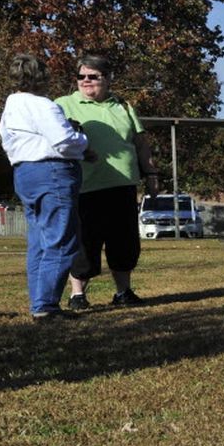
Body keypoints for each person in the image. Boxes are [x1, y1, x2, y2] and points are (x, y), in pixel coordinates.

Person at [56, 54, 160, 309]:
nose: (86, 81)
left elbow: (140, 144)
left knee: (124, 243)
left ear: (108, 78)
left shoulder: (123, 106)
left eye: (93, 76)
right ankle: (77, 295)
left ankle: (123, 292)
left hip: (122, 186)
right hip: (83, 187)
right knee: (84, 244)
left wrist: (151, 174)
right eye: (81, 76)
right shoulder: (62, 105)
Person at [0, 54, 91, 321]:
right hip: (52, 172)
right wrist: (82, 140)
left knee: (39, 241)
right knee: (61, 239)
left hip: (24, 173)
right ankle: (46, 305)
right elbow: (63, 141)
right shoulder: (42, 105)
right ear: (40, 77)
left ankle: (40, 302)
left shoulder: (11, 106)